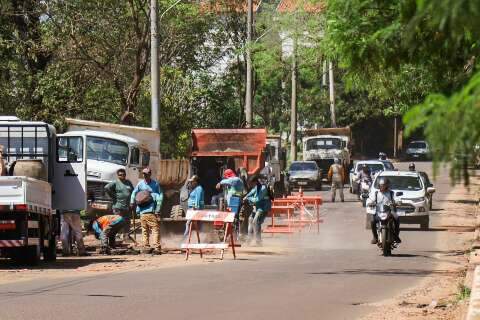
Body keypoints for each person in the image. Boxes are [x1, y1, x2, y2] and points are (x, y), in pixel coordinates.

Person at [130, 167, 163, 253]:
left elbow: (160, 195)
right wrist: (131, 201)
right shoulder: (140, 184)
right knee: (154, 229)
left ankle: (146, 245)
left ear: (150, 174)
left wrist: (158, 207)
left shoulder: (155, 184)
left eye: (146, 174)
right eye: (144, 174)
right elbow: (134, 193)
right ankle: (156, 247)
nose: (145, 175)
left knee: (145, 230)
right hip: (148, 212)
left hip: (143, 212)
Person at [366, 177, 401, 244]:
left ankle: (396, 236)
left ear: (387, 185)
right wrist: (370, 203)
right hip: (379, 212)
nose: (382, 187)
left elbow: (397, 199)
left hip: (390, 211)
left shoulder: (391, 193)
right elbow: (370, 200)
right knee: (372, 221)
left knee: (397, 218)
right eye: (381, 185)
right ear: (379, 185)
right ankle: (375, 237)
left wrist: (398, 202)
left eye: (384, 185)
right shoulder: (376, 193)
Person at [104, 168, 134, 241]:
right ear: (118, 175)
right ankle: (116, 236)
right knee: (117, 222)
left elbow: (133, 191)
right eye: (120, 175)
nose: (122, 176)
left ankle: (126, 236)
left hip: (127, 206)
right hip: (118, 206)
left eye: (123, 174)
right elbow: (106, 187)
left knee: (127, 222)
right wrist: (113, 196)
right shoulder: (115, 182)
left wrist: (132, 202)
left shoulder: (128, 182)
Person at [245, 175, 272, 246]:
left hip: (263, 208)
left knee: (255, 221)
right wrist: (246, 196)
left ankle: (258, 241)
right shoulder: (256, 187)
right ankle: (249, 239)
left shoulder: (263, 188)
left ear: (255, 182)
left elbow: (257, 199)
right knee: (250, 219)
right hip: (257, 207)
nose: (250, 185)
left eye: (251, 183)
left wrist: (248, 198)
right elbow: (251, 192)